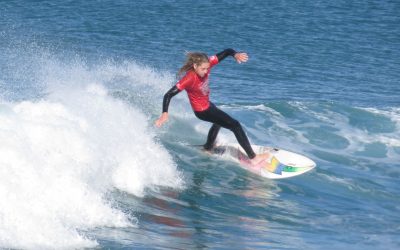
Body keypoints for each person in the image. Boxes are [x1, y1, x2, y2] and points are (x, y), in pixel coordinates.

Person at [155, 48, 269, 165]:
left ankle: (208, 147)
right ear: (195, 66)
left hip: (207, 104)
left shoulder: (208, 63)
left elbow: (226, 52)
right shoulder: (189, 78)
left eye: (207, 68)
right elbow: (168, 94)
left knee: (218, 121)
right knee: (235, 125)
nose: (206, 71)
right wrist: (164, 113)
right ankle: (254, 158)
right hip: (202, 111)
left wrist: (235, 55)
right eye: (203, 69)